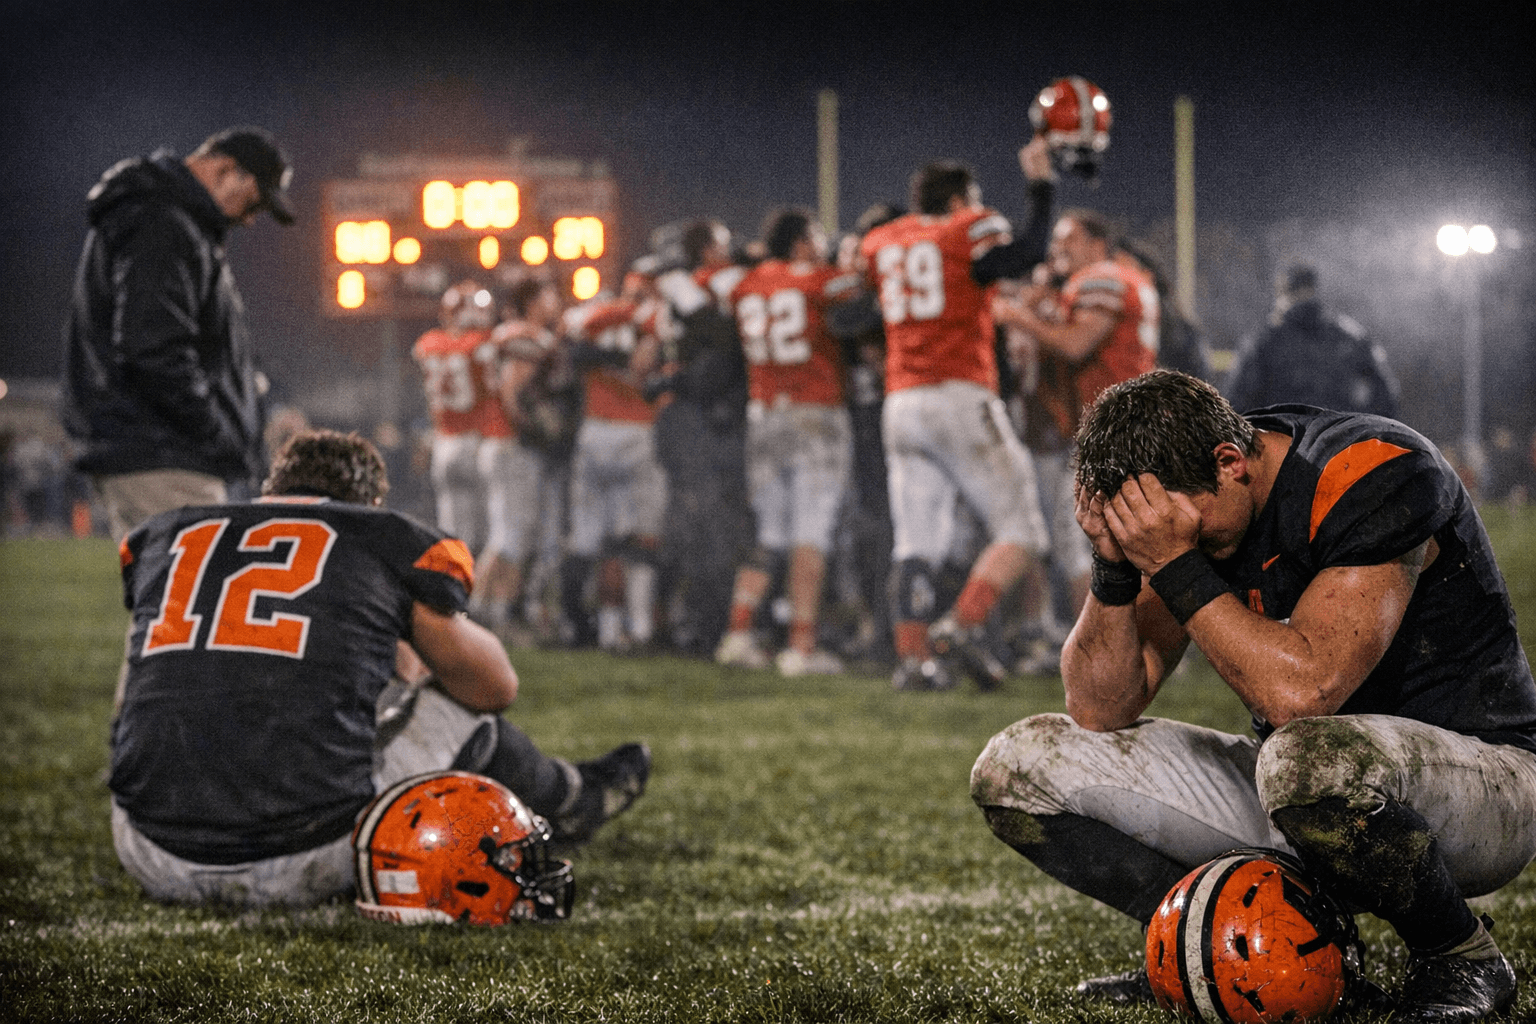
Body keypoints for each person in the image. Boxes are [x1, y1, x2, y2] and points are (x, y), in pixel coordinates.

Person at [970, 370, 1536, 1022]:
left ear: (1232, 462)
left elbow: (1304, 693)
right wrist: (1116, 568)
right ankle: (1194, 947)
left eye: (1193, 538)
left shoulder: (1366, 470)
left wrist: (1178, 563)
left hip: (1481, 781)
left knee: (1305, 758)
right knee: (1018, 767)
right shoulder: (1189, 497)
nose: (1181, 548)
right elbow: (1100, 708)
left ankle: (1459, 956)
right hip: (1303, 787)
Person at [109, 429, 650, 907]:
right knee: (455, 711)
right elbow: (494, 687)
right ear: (368, 503)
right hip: (304, 853)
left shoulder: (169, 535)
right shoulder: (379, 536)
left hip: (145, 845)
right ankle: (575, 797)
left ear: (273, 492)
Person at [857, 138, 1057, 691]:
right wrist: (1040, 186)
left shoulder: (882, 240)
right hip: (959, 394)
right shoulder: (964, 228)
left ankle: (914, 661)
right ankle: (958, 629)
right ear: (957, 200)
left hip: (901, 401)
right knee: (1022, 530)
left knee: (915, 541)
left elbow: (858, 306)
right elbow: (1025, 254)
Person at [62, 126, 294, 542]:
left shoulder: (171, 218)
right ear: (226, 170)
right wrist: (214, 431)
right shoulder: (163, 220)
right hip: (164, 453)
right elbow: (152, 347)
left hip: (161, 450)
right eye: (254, 200)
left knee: (174, 601)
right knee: (190, 602)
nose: (250, 217)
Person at [992, 209, 1161, 670]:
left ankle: (1098, 646)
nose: (1057, 249)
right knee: (1122, 537)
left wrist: (1019, 316)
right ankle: (1138, 641)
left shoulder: (1103, 277)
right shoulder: (1121, 275)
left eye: (1068, 240)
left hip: (1115, 425)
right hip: (1120, 421)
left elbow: (1075, 345)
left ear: (1094, 241)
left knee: (1080, 539)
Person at [713, 207, 862, 677]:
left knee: (769, 534)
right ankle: (801, 645)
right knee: (809, 533)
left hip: (763, 414)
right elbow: (857, 288)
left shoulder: (745, 284)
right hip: (815, 413)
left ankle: (737, 636)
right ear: (800, 241)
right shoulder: (817, 281)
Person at [558, 274, 669, 652]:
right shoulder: (654, 316)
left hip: (594, 430)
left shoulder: (594, 315)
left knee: (598, 542)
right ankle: (638, 629)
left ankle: (599, 629)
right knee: (639, 538)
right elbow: (642, 369)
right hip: (635, 431)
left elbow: (569, 335)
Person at [1226, 262, 1401, 418]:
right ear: (1313, 290)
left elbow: (1237, 402)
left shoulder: (1263, 340)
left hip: (1283, 446)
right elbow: (1385, 395)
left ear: (1281, 294)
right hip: (1337, 445)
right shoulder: (1348, 335)